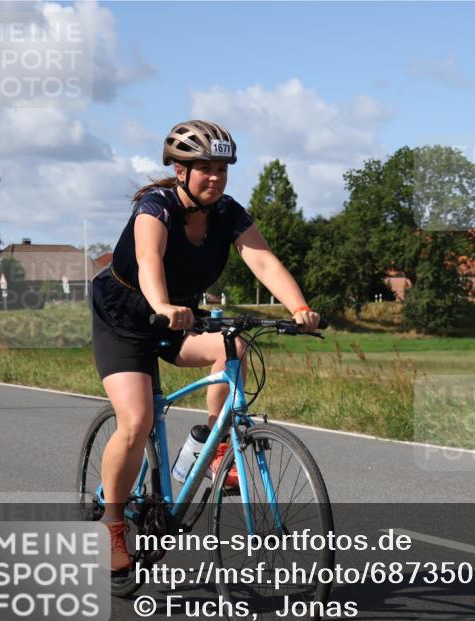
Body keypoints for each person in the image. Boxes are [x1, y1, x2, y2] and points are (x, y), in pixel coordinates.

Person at [90, 120, 320, 572]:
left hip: (179, 317)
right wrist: (160, 303)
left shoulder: (227, 213)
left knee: (232, 349)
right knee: (136, 422)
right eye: (204, 168)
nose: (215, 177)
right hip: (124, 318)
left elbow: (263, 260)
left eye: (222, 168)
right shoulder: (154, 209)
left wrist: (299, 308)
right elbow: (148, 260)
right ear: (179, 170)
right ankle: (112, 522)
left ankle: (215, 446)